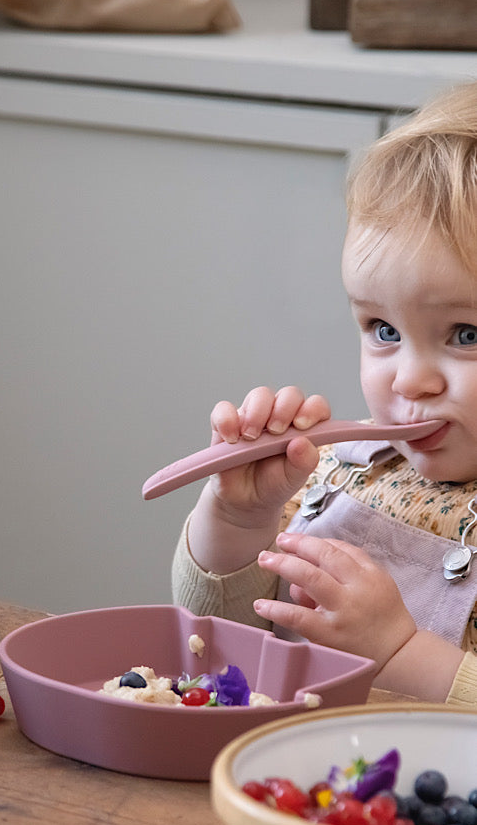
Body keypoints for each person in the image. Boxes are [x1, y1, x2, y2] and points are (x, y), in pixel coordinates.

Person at [172, 82, 477, 706]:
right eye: (384, 331)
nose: (409, 380)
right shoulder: (339, 476)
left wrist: (400, 654)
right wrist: (238, 521)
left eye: (466, 334)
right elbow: (215, 641)